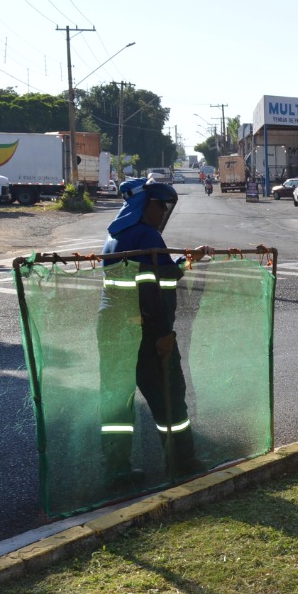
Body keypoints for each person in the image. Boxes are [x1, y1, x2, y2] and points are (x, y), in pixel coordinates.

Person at [99, 177, 212, 488]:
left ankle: (117, 471)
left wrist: (188, 262)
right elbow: (150, 290)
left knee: (116, 401)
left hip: (112, 331)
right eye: (160, 204)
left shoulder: (116, 235)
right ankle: (183, 462)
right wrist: (162, 334)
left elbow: (162, 272)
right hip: (145, 333)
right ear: (144, 205)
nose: (163, 210)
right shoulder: (147, 236)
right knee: (171, 400)